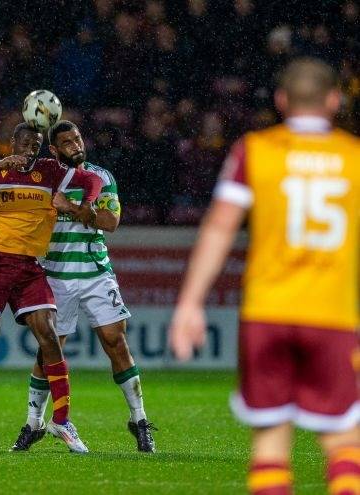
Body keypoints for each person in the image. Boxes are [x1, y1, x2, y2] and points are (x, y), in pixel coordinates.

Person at [169, 58, 359, 495]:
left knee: (271, 442)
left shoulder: (255, 150)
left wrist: (190, 303)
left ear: (281, 101)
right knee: (344, 439)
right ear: (335, 100)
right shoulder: (353, 157)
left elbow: (220, 227)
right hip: (331, 315)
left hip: (267, 314)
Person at [8, 120, 157, 453]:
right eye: (68, 142)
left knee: (115, 340)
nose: (76, 145)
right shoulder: (44, 178)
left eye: (77, 139)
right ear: (54, 149)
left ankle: (139, 419)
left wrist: (72, 208)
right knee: (49, 349)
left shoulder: (100, 177)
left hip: (96, 274)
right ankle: (34, 422)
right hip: (55, 275)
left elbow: (111, 222)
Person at [0, 122, 102, 455]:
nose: (30, 150)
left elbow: (92, 180)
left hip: (29, 268)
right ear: (13, 143)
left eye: (36, 145)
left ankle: (62, 421)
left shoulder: (50, 171)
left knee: (50, 337)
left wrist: (88, 203)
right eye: (25, 144)